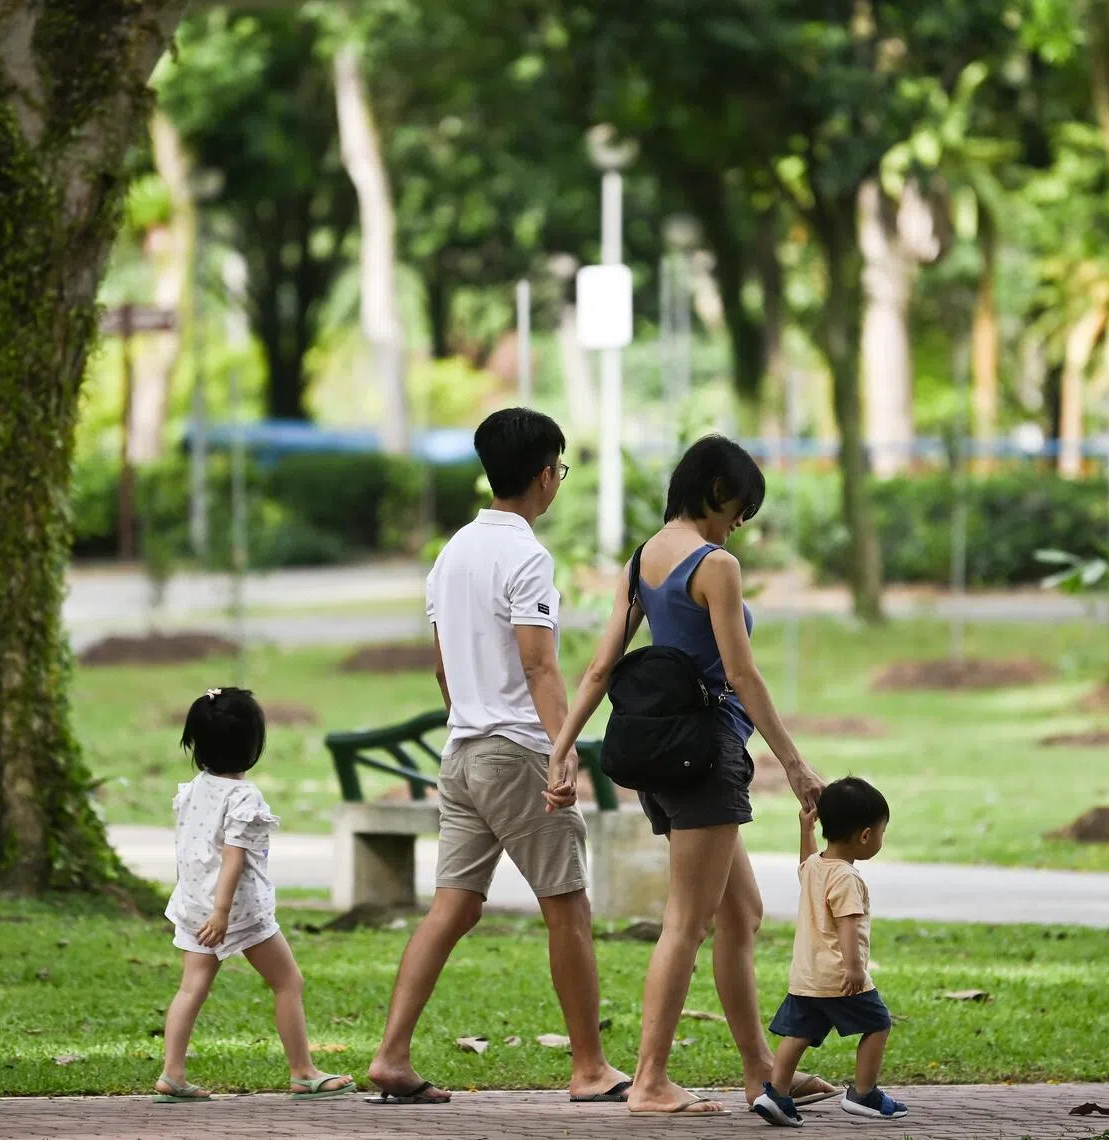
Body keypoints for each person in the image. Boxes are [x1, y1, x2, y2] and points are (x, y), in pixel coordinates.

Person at [548, 434, 835, 1116]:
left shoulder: (642, 560)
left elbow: (598, 668)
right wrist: (794, 764)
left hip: (663, 757)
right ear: (713, 488)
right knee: (687, 922)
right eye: (740, 504)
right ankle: (649, 1081)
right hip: (707, 758)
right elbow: (742, 674)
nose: (741, 520)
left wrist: (562, 748)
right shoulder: (717, 566)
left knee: (742, 913)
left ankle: (764, 1074)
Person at [366, 408, 630, 1106]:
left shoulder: (451, 554)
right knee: (567, 905)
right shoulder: (527, 556)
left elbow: (442, 670)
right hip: (515, 750)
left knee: (452, 907)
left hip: (462, 752)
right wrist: (562, 749)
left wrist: (469, 719)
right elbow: (540, 666)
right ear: (545, 474)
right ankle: (589, 1068)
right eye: (561, 471)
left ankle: (392, 1055)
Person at [154, 688, 354, 1103]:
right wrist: (223, 912)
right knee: (287, 982)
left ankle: (172, 1073)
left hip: (193, 905)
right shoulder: (244, 797)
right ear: (252, 745)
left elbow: (191, 849)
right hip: (238, 911)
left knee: (191, 988)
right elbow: (233, 858)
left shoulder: (193, 789)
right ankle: (303, 1071)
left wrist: (204, 906)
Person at [754, 778, 907, 1127]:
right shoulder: (846, 878)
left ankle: (776, 1093)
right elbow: (848, 925)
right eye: (882, 832)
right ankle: (864, 1094)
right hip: (839, 973)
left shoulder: (814, 868)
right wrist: (855, 969)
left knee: (800, 1035)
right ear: (866, 836)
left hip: (807, 975)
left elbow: (805, 859)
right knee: (878, 1023)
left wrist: (805, 831)